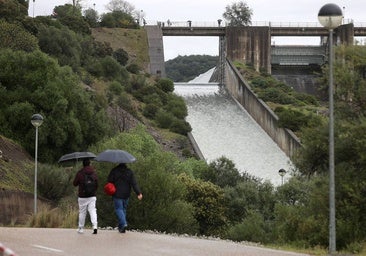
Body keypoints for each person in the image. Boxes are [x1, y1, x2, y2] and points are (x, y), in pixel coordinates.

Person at [107, 163, 142, 233]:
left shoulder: (114, 171)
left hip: (117, 194)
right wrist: (138, 193)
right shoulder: (129, 172)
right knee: (123, 209)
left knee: (118, 209)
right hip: (126, 194)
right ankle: (121, 228)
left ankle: (124, 223)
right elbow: (134, 183)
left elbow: (109, 181)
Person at [73, 158, 98, 235]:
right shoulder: (93, 173)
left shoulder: (80, 173)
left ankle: (81, 228)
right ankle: (95, 226)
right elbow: (97, 184)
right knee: (92, 210)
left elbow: (74, 183)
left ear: (83, 164)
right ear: (89, 164)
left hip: (82, 196)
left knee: (82, 212)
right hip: (92, 196)